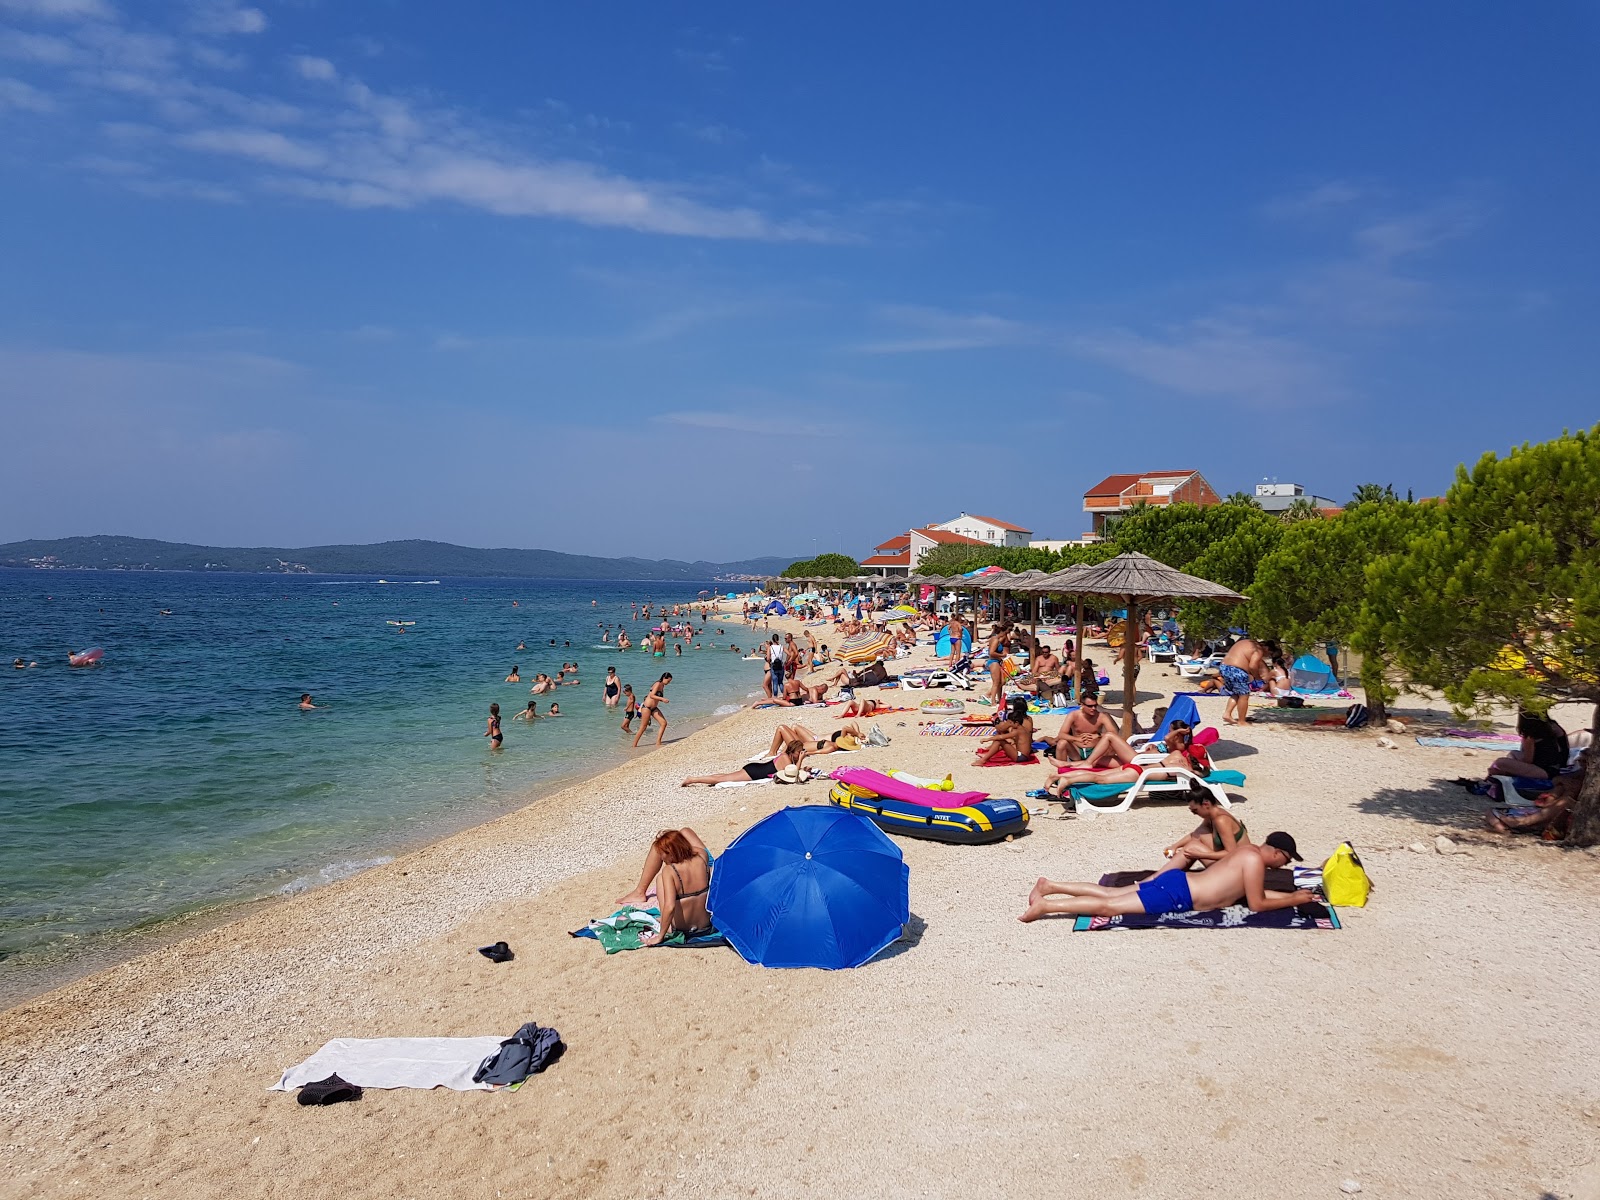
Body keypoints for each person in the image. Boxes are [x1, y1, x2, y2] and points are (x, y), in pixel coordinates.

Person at [1019, 833, 1315, 922]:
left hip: (1180, 883)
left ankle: (1050, 886)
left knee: (1109, 894)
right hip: (1180, 895)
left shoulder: (1247, 852)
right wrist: (1293, 898)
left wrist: (1297, 898)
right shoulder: (1252, 861)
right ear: (1276, 852)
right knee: (1110, 906)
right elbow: (1257, 903)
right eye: (1285, 860)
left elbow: (1256, 895)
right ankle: (1046, 906)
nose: (1282, 866)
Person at [616, 828, 715, 943]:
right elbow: (693, 849)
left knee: (660, 879)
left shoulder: (669, 871)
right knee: (685, 831)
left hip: (683, 929)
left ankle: (666, 924)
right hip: (707, 926)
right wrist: (679, 846)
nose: (662, 859)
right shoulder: (702, 856)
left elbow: (670, 906)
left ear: (670, 853)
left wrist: (660, 936)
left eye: (662, 856)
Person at [1048, 726, 1209, 795]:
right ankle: (1066, 781)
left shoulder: (1177, 756)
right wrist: (1204, 771)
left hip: (1135, 767)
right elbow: (1200, 777)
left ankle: (1060, 777)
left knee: (1101, 773)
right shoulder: (1186, 770)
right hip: (1137, 772)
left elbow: (1168, 739)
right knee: (1099, 778)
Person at [1153, 789, 1250, 873]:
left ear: (1206, 804)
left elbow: (1230, 853)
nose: (1194, 814)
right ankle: (1166, 876)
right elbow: (1195, 835)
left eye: (1195, 810)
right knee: (1197, 838)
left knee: (1192, 847)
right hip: (1234, 864)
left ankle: (1160, 878)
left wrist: (1198, 855)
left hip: (1238, 869)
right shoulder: (1212, 816)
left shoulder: (1222, 820)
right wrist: (1174, 846)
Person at [1485, 769, 1581, 837]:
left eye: (1584, 761)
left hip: (1553, 813)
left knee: (1567, 798)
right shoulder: (1579, 774)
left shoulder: (1580, 785)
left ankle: (1522, 824)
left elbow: (1551, 804)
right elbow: (1557, 780)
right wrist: (1561, 784)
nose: (1581, 762)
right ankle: (1506, 829)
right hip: (1547, 809)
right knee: (1491, 811)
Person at [681, 735, 809, 785]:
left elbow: (791, 771)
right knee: (722, 779)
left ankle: (695, 778)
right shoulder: (786, 758)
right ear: (792, 752)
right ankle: (692, 779)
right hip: (753, 772)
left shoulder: (787, 757)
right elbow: (794, 774)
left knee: (725, 776)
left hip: (756, 769)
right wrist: (801, 761)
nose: (801, 754)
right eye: (799, 752)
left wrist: (803, 768)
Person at [1489, 711, 1570, 781]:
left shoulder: (1530, 736)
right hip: (1556, 766)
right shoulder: (1552, 726)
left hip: (1544, 771)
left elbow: (1528, 760)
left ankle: (1504, 773)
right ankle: (1506, 771)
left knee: (1500, 762)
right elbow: (1564, 744)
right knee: (1513, 753)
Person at [1047, 691, 1118, 762]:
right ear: (1082, 705)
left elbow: (1114, 734)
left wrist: (1098, 735)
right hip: (1077, 751)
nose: (1093, 708)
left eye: (1095, 705)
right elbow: (1061, 735)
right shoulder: (1073, 715)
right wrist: (1077, 739)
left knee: (1113, 744)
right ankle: (1062, 768)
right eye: (1090, 706)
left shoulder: (1101, 716)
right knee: (1061, 743)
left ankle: (1098, 762)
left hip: (1096, 751)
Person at [1218, 637, 1269, 726]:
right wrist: (1257, 677)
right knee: (1244, 695)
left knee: (1237, 693)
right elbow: (1253, 666)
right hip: (1236, 670)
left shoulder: (1245, 642)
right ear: (1267, 648)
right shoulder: (1258, 649)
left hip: (1224, 667)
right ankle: (1241, 721)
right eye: (1268, 654)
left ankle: (1227, 714)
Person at [973, 696, 1036, 766]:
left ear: (1016, 723)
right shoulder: (1027, 721)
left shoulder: (1017, 729)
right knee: (1002, 739)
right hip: (1026, 750)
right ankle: (987, 755)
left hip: (1021, 756)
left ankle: (983, 760)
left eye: (1011, 723)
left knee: (1000, 739)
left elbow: (1001, 733)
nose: (1010, 724)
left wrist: (987, 739)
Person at [766, 721, 868, 757]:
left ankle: (772, 752)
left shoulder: (831, 747)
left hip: (799, 746)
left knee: (781, 728)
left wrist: (805, 753)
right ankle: (781, 751)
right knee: (787, 727)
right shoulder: (835, 743)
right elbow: (850, 725)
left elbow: (818, 752)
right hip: (803, 744)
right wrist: (858, 733)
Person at [632, 673, 671, 747]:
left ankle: (658, 742)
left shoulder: (662, 685)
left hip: (654, 708)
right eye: (668, 681)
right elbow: (652, 695)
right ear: (664, 678)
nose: (668, 683)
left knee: (663, 723)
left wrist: (662, 700)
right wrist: (662, 699)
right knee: (643, 727)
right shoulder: (657, 684)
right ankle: (634, 745)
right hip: (647, 707)